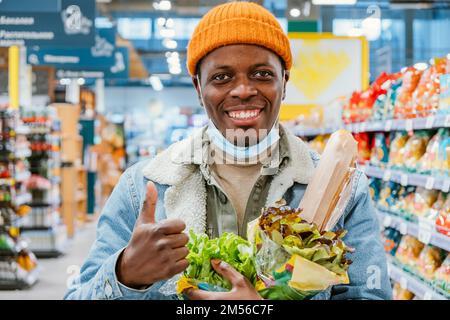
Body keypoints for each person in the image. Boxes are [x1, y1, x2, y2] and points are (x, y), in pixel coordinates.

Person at [64, 1, 392, 300]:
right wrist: (125, 275)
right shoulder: (143, 187)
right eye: (222, 77)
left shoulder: (340, 189)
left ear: (284, 82)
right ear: (198, 87)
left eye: (262, 74)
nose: (243, 90)